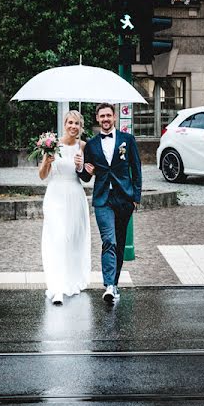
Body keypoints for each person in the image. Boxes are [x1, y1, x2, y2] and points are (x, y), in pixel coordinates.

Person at [78, 103, 142, 303]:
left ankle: (114, 283)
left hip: (124, 198)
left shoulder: (127, 140)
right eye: (101, 116)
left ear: (114, 117)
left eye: (108, 115)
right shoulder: (91, 145)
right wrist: (82, 169)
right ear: (97, 119)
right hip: (103, 199)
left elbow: (136, 169)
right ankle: (109, 285)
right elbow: (86, 177)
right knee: (109, 241)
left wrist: (136, 198)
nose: (105, 119)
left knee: (120, 243)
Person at [39, 110, 91, 305]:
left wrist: (81, 167)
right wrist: (47, 161)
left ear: (81, 127)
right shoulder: (52, 145)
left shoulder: (83, 146)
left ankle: (71, 280)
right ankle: (57, 287)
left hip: (75, 196)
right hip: (55, 197)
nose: (73, 126)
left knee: (72, 240)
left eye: (77, 123)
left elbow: (86, 177)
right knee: (58, 239)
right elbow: (42, 175)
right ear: (64, 124)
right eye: (70, 122)